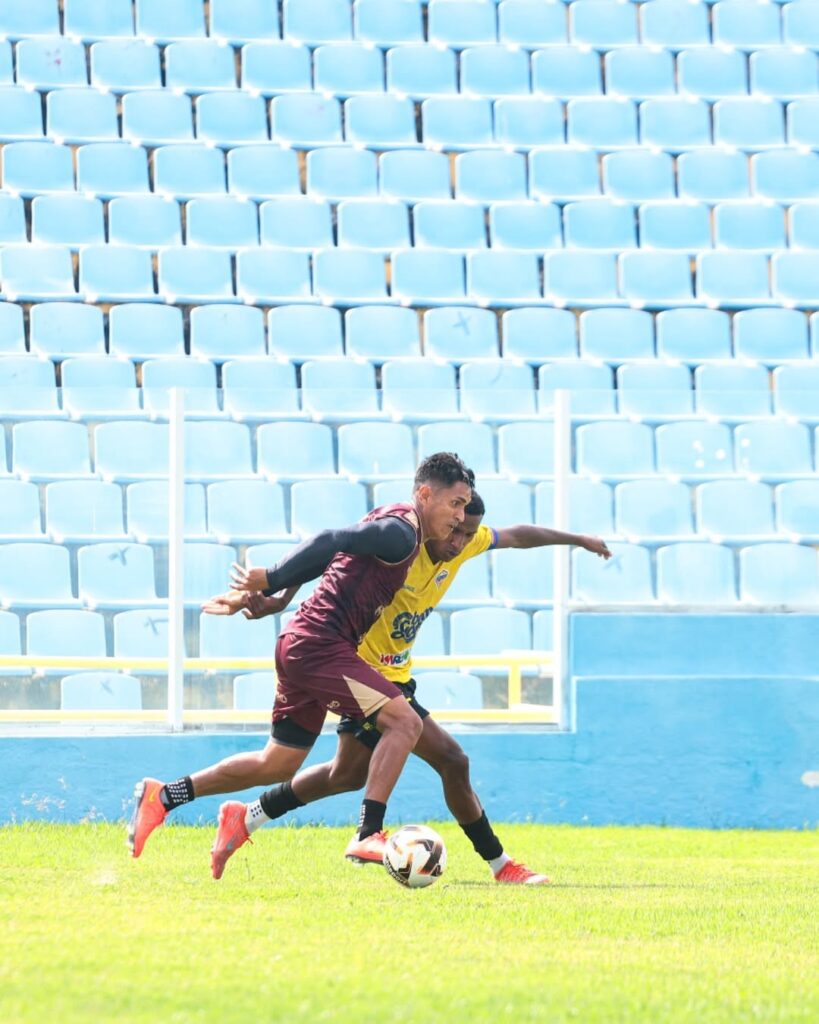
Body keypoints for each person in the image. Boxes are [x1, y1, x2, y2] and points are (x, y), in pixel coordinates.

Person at [202, 492, 612, 883]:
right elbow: (334, 555)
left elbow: (520, 535)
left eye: (469, 533)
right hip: (359, 669)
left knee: (344, 775)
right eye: (456, 530)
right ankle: (495, 863)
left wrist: (577, 539)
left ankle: (247, 816)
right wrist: (277, 592)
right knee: (452, 759)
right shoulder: (404, 544)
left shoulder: (466, 543)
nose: (460, 541)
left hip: (393, 675)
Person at [128, 452, 474, 879]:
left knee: (276, 765)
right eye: (456, 504)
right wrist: (272, 577)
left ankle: (163, 797)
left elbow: (337, 555)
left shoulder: (395, 524)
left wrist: (281, 598)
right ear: (425, 493)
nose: (460, 517)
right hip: (320, 647)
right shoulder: (403, 533)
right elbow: (329, 539)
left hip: (302, 643)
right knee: (404, 722)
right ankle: (368, 832)